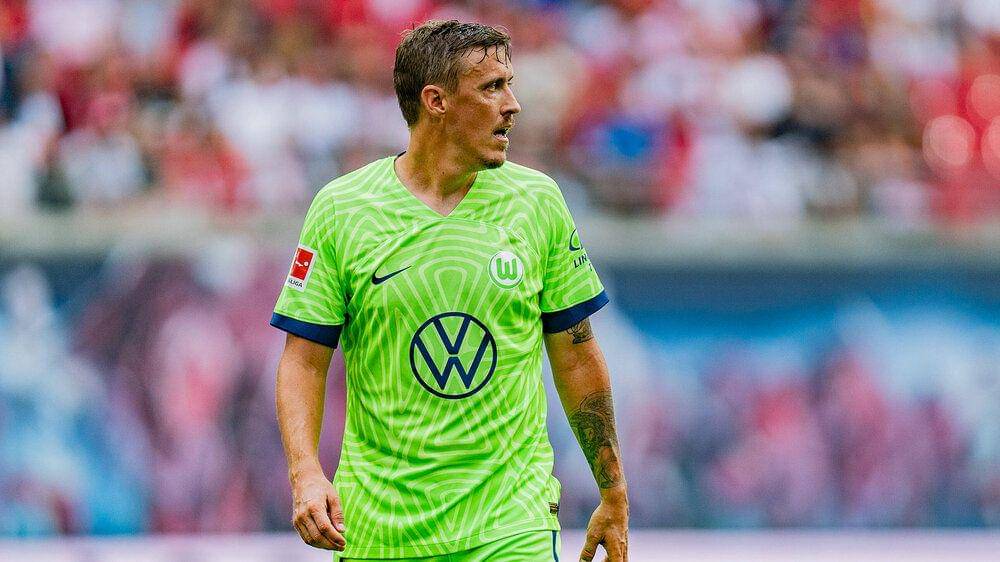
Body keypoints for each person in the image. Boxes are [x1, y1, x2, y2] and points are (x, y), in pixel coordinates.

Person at [271, 20, 628, 562]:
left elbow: (577, 356)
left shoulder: (538, 202)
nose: (512, 105)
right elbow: (303, 360)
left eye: (509, 85)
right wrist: (305, 473)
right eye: (492, 88)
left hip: (511, 525)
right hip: (379, 529)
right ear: (436, 101)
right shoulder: (342, 210)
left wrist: (613, 490)